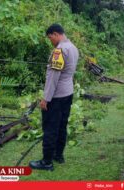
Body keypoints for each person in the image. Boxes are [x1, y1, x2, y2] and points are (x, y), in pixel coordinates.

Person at [29, 24, 79, 171]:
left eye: (50, 38)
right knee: (62, 126)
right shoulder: (73, 48)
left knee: (50, 127)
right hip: (68, 93)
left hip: (56, 96)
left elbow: (53, 78)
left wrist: (46, 98)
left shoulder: (59, 51)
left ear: (56, 34)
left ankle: (47, 162)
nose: (51, 41)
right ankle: (59, 155)